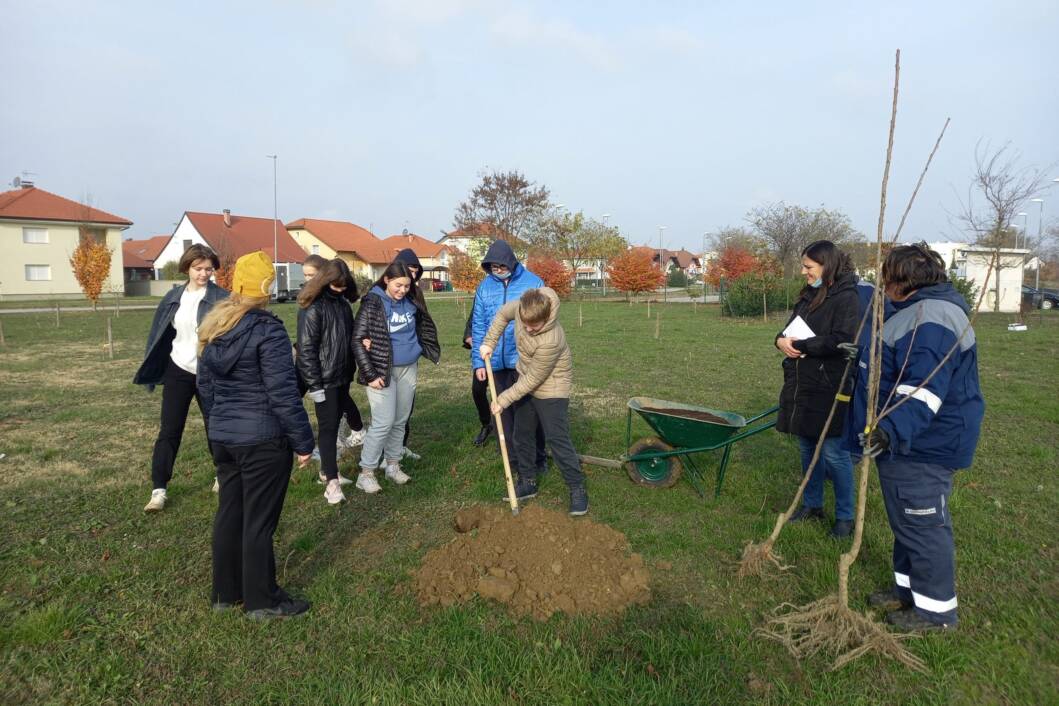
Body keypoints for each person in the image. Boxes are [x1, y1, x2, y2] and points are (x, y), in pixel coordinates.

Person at [861, 243, 983, 632]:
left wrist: (890, 430)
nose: (881, 282)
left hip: (923, 443)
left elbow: (922, 388)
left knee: (923, 522)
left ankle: (936, 613)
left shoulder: (931, 317)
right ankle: (909, 591)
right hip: (910, 440)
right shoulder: (917, 311)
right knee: (907, 522)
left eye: (885, 274)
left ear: (900, 279)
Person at [197, 251, 315, 619]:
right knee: (259, 522)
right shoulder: (268, 330)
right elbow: (282, 392)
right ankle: (262, 600)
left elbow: (206, 387)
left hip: (224, 437)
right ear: (267, 287)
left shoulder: (214, 326)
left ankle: (225, 593)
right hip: (263, 439)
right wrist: (303, 442)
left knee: (230, 512)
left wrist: (218, 429)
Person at [134, 243, 228, 512]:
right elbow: (158, 335)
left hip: (209, 372)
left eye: (208, 269)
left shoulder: (222, 298)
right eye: (198, 269)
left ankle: (222, 476)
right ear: (187, 267)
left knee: (217, 426)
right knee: (169, 430)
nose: (203, 274)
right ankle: (158, 489)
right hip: (178, 370)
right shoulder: (173, 297)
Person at [775, 240, 859, 538]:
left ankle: (846, 517)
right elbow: (786, 330)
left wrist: (800, 345)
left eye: (808, 267)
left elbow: (842, 339)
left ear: (827, 265)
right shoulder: (808, 296)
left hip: (830, 385)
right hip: (802, 383)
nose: (803, 272)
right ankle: (812, 505)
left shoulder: (848, 298)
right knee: (806, 447)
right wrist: (781, 341)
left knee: (835, 453)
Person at [480, 288, 587, 516]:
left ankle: (577, 488)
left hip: (552, 386)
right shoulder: (522, 307)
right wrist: (489, 342)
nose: (528, 329)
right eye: (525, 324)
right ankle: (527, 481)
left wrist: (503, 399)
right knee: (522, 434)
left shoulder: (551, 340)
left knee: (557, 439)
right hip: (525, 377)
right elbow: (501, 314)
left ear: (547, 318)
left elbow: (533, 380)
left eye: (534, 326)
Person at [352, 261, 440, 494]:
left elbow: (423, 326)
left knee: (400, 420)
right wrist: (369, 374)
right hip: (382, 371)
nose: (402, 290)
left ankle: (392, 465)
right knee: (383, 422)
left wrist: (424, 347)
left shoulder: (411, 300)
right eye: (398, 285)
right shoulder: (373, 302)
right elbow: (358, 340)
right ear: (386, 280)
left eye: (407, 286)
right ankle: (366, 472)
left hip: (408, 368)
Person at [470, 240, 546, 476]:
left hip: (523, 361)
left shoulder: (533, 283)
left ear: (511, 262)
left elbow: (543, 321)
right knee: (504, 414)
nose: (498, 269)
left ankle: (538, 458)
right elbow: (479, 326)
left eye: (502, 265)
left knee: (529, 413)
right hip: (495, 363)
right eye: (493, 266)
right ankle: (512, 460)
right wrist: (478, 362)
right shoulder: (484, 288)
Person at [297, 258, 364, 505]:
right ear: (325, 280)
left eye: (343, 285)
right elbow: (306, 350)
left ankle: (327, 471)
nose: (339, 288)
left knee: (334, 426)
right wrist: (314, 386)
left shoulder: (344, 306)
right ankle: (332, 485)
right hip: (323, 380)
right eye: (335, 284)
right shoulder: (313, 307)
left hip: (342, 376)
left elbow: (348, 338)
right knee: (327, 429)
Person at [391, 248, 427, 461]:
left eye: (415, 271)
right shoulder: (382, 295)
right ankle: (387, 452)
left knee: (406, 408)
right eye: (408, 270)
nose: (412, 275)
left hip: (409, 359)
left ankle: (401, 446)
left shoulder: (416, 294)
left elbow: (423, 323)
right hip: (388, 361)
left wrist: (421, 346)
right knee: (388, 412)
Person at [463, 297, 493, 446]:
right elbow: (473, 319)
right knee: (478, 390)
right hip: (483, 353)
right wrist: (469, 337)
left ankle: (508, 429)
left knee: (502, 393)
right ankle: (487, 424)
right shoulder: (484, 291)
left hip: (506, 352)